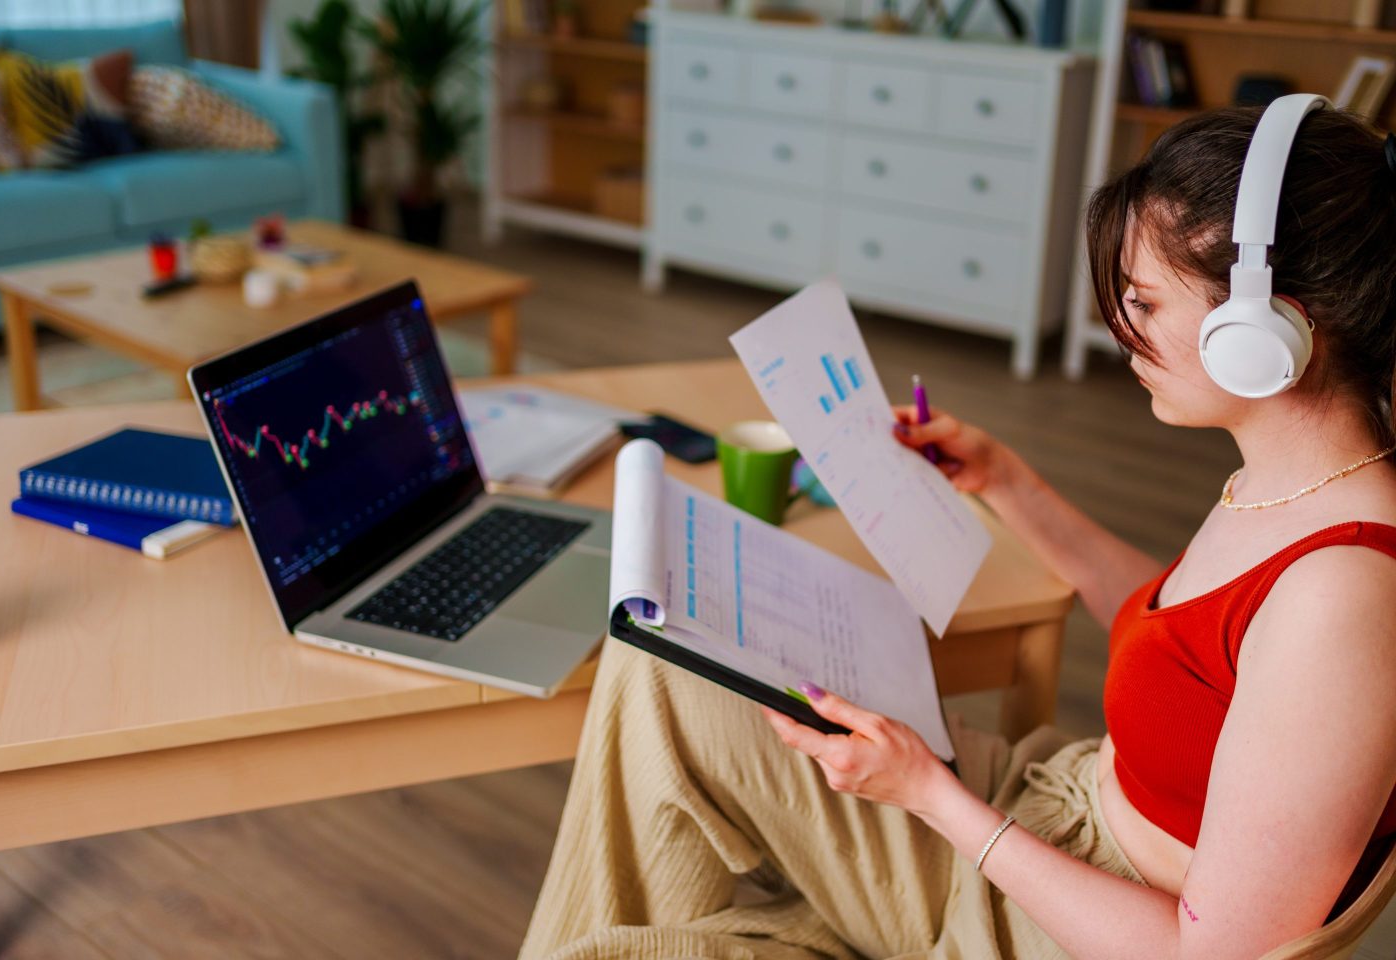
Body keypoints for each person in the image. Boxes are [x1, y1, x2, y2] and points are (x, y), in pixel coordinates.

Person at [518, 99, 1396, 959]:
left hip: (1061, 919)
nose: (1122, 329)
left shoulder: (1344, 597)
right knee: (664, 661)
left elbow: (1212, 956)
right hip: (1050, 813)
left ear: (1267, 331)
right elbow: (1184, 639)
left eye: (1145, 301)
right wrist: (1006, 480)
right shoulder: (1296, 484)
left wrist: (931, 798)